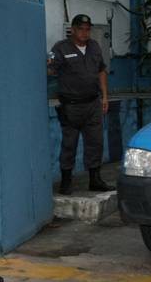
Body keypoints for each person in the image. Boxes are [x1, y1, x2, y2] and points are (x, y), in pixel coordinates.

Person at [48, 14, 112, 195]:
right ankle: (66, 182)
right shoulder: (61, 48)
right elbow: (50, 70)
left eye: (87, 29)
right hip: (71, 106)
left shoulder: (94, 47)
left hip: (93, 104)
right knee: (69, 143)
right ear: (73, 30)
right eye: (81, 29)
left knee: (96, 143)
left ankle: (95, 179)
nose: (85, 33)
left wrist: (105, 97)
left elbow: (101, 71)